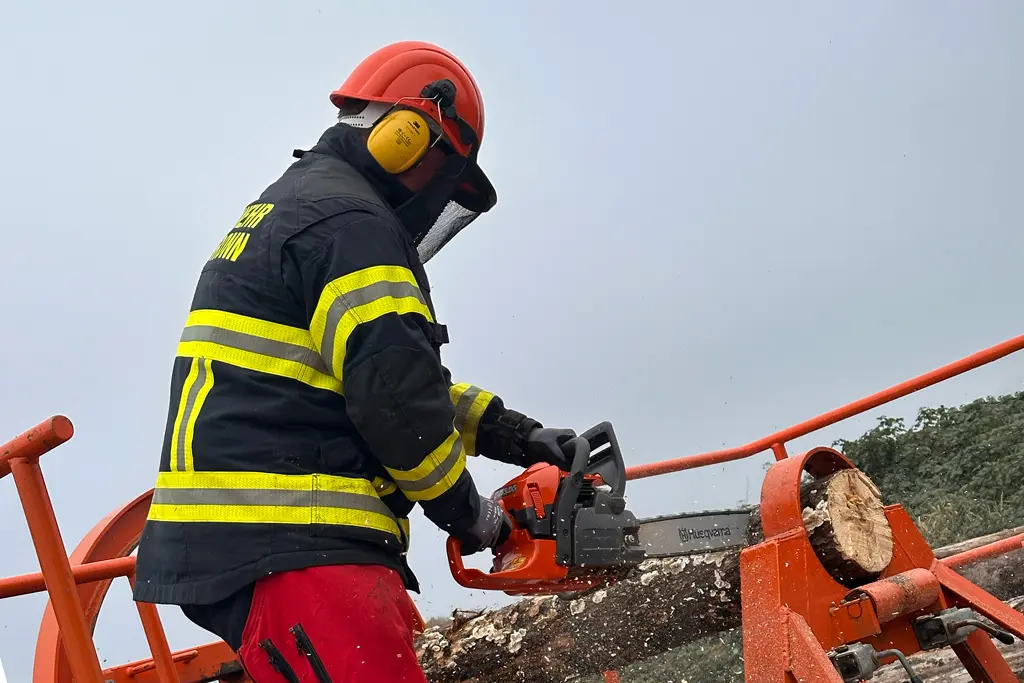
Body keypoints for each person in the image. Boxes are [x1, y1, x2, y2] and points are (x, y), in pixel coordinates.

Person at [131, 40, 576, 682]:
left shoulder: (305, 203)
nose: (435, 191)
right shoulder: (352, 224)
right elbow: (397, 405)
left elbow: (383, 379)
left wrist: (516, 434)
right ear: (408, 134)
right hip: (293, 540)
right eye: (442, 167)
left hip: (252, 538)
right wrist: (475, 517)